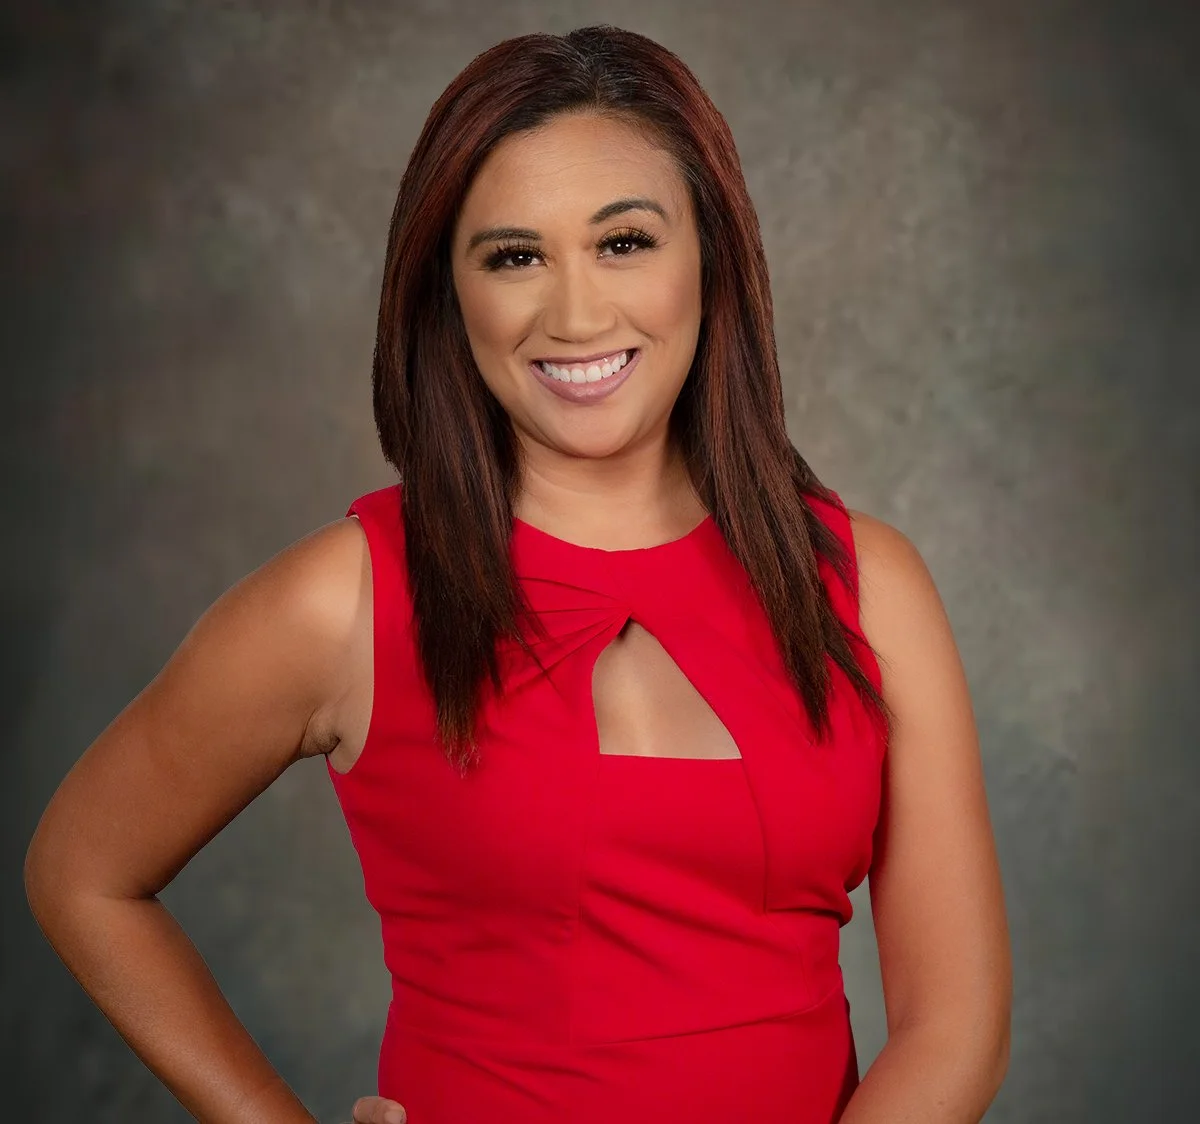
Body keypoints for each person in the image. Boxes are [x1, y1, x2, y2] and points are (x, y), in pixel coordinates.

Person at [24, 24, 1011, 1124]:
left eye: (624, 242)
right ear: (449, 294)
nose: (577, 315)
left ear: (711, 256)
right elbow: (82, 872)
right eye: (513, 257)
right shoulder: (345, 600)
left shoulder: (869, 586)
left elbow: (954, 1025)